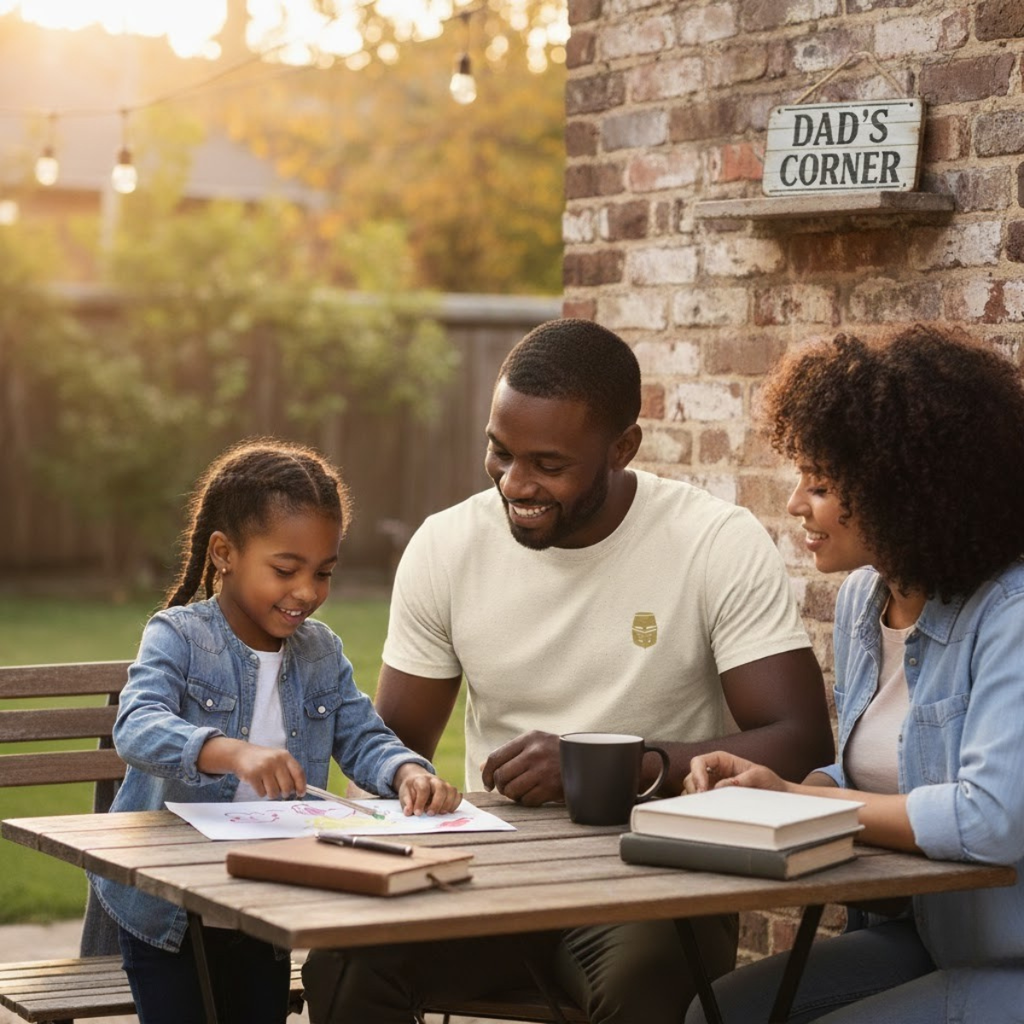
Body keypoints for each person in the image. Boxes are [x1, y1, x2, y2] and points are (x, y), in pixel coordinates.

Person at [302, 318, 834, 1024]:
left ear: (623, 448)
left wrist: (608, 766)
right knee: (344, 965)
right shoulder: (447, 546)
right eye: (500, 452)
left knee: (643, 987)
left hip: (656, 881)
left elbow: (799, 740)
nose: (514, 483)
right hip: (493, 876)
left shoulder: (713, 542)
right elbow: (389, 751)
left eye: (548, 465)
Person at [683, 326, 1024, 1024]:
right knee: (720, 1011)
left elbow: (991, 819)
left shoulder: (1009, 616)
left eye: (821, 484)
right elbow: (881, 772)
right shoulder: (863, 602)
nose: (795, 504)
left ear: (903, 491)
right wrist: (778, 793)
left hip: (1008, 953)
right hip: (933, 932)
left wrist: (803, 803)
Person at [88, 439, 461, 1024]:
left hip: (267, 902)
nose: (307, 591)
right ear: (224, 553)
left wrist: (406, 770)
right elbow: (136, 726)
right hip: (171, 910)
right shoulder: (179, 636)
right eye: (286, 570)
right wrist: (228, 752)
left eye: (324, 572)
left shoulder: (320, 652)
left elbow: (364, 736)